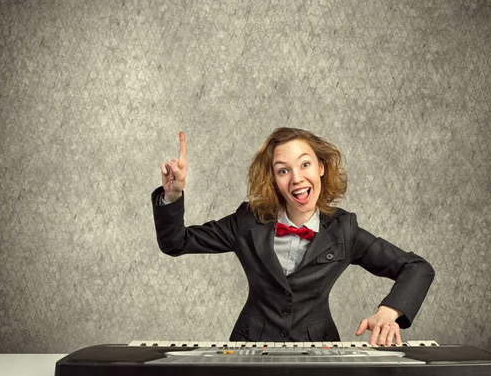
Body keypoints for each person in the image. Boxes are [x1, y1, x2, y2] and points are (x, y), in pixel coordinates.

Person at [151, 128, 434, 346]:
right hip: (250, 348)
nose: (296, 178)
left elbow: (416, 267)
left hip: (320, 354)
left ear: (321, 167)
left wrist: (389, 311)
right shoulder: (248, 222)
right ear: (274, 180)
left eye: (305, 165)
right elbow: (176, 242)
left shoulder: (344, 230)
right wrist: (172, 195)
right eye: (283, 170)